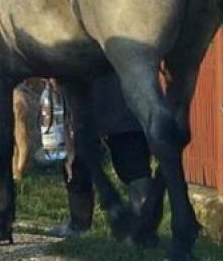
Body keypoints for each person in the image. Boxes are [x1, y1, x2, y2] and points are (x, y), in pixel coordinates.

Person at [48, 73, 154, 238]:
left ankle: (81, 224)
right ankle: (142, 221)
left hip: (91, 87)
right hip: (119, 89)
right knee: (124, 140)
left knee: (86, 144)